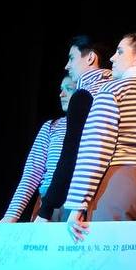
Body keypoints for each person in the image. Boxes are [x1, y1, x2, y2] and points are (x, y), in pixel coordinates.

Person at [63, 32, 136, 239]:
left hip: (125, 184)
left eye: (119, 52)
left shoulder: (112, 90)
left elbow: (96, 148)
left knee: (105, 255)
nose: (112, 58)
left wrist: (77, 204)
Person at [38, 35, 112, 222]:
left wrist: (46, 208)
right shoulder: (116, 88)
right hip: (114, 188)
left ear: (90, 58)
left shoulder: (84, 94)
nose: (67, 66)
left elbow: (72, 153)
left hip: (83, 197)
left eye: (71, 58)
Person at [0, 75, 75, 223]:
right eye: (61, 89)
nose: (62, 94)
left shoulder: (92, 125)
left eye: (69, 89)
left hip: (77, 202)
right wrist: (11, 215)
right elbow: (32, 172)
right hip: (47, 204)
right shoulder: (51, 127)